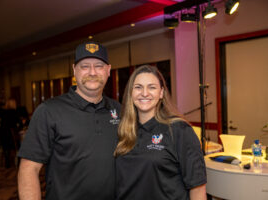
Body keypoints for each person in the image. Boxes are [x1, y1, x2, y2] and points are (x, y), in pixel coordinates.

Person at [17, 41, 121, 200]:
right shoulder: (49, 111)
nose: (92, 72)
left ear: (108, 70)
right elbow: (28, 169)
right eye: (85, 66)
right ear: (74, 70)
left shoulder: (120, 110)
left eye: (99, 66)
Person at [114, 65, 207, 200]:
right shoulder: (122, 130)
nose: (144, 93)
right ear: (131, 92)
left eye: (152, 87)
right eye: (138, 87)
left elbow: (198, 189)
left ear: (161, 93)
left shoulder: (179, 130)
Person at [0, 98, 20, 168]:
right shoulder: (14, 112)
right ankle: (18, 162)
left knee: (6, 147)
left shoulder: (2, 112)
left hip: (2, 133)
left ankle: (7, 160)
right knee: (18, 144)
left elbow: (1, 122)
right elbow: (18, 123)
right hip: (11, 133)